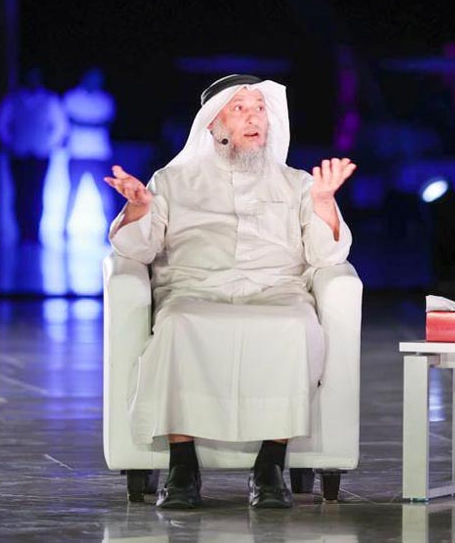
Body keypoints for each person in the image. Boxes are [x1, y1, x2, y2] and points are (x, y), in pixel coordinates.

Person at [104, 75, 356, 510]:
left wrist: (323, 203)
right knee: (178, 323)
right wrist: (139, 209)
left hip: (275, 291)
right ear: (213, 124)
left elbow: (326, 256)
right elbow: (136, 249)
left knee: (296, 324)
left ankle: (270, 465)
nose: (253, 117)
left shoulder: (296, 183)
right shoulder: (172, 180)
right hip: (196, 290)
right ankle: (182, 467)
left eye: (259, 108)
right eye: (239, 109)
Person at [0, 68, 69, 243]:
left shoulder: (50, 100)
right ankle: (21, 233)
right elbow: (1, 124)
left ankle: (34, 233)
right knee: (19, 193)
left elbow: (60, 127)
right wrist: (11, 142)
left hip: (40, 154)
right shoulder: (14, 99)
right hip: (19, 153)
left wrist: (46, 144)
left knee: (37, 193)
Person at [63, 68, 118, 233]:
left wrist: (80, 122)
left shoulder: (106, 100)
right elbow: (68, 121)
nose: (95, 82)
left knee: (104, 193)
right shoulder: (71, 97)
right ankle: (64, 229)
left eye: (98, 79)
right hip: (76, 153)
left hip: (99, 154)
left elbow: (106, 122)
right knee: (72, 192)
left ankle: (110, 229)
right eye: (92, 78)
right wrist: (93, 124)